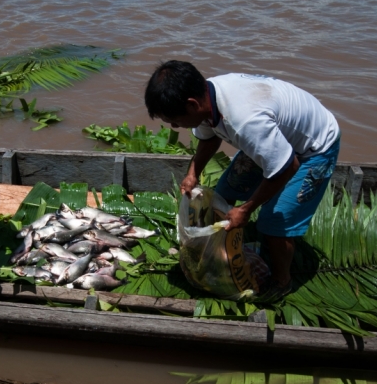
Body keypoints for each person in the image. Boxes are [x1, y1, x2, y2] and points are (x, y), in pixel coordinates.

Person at [144, 60, 340, 298]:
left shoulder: (245, 121)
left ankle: (281, 281)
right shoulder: (207, 97)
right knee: (225, 191)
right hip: (276, 141)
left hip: (313, 149)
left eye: (174, 120)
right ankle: (223, 249)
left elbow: (287, 167)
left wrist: (246, 210)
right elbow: (209, 139)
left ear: (192, 104)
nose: (174, 126)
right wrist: (192, 173)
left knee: (272, 224)